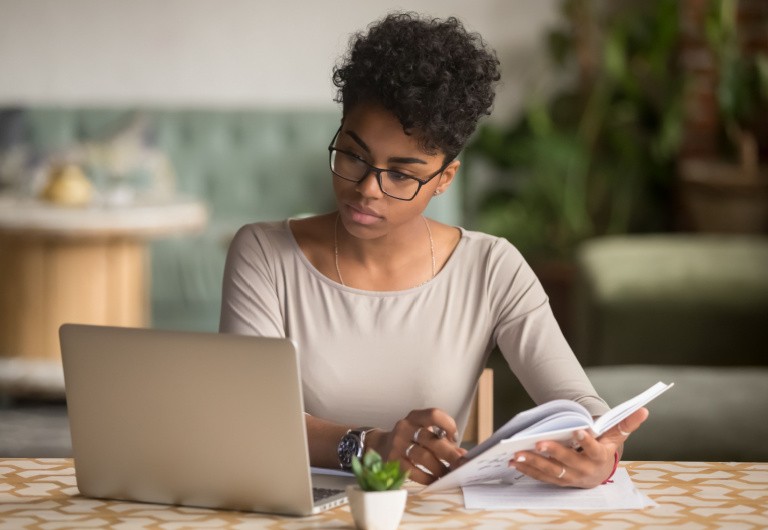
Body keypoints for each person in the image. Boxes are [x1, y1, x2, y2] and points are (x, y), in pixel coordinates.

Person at [220, 12, 648, 488]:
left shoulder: (491, 267)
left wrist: (601, 452)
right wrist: (369, 446)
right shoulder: (262, 253)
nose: (367, 189)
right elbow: (247, 416)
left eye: (401, 173)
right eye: (353, 155)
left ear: (444, 178)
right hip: (296, 511)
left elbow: (577, 401)